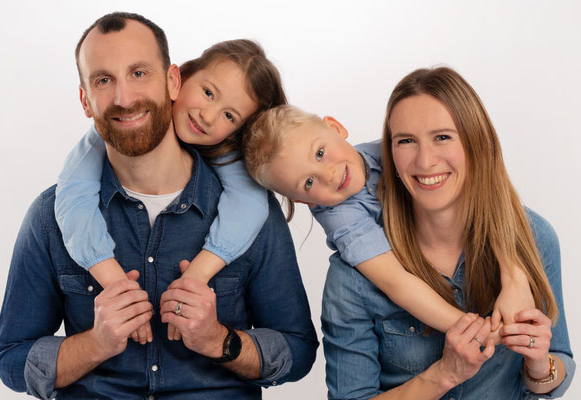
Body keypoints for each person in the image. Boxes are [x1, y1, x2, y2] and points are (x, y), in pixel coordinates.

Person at [0, 12, 317, 399]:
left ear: (172, 81)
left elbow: (298, 350)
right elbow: (10, 359)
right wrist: (95, 344)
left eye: (139, 73)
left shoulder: (251, 213)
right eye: (103, 80)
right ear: (85, 100)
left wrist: (219, 340)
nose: (124, 98)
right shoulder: (51, 216)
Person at [317, 67, 573, 399]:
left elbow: (558, 367)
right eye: (406, 141)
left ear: (475, 141)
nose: (425, 161)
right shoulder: (353, 275)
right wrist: (443, 375)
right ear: (388, 154)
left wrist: (539, 364)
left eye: (442, 137)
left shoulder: (535, 237)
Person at [56, 36, 286, 344]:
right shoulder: (119, 124)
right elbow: (73, 199)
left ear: (237, 132)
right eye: (207, 93)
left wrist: (196, 276)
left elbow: (250, 203)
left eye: (229, 116)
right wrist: (116, 286)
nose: (207, 116)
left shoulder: (226, 153)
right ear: (178, 78)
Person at [243, 105, 532, 339]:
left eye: (320, 153)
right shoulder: (341, 218)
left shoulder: (393, 149)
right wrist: (473, 330)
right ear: (304, 201)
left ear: (335, 127)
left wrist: (514, 279)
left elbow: (484, 188)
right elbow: (397, 283)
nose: (328, 175)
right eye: (308, 182)